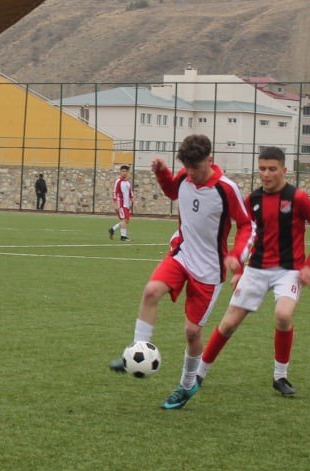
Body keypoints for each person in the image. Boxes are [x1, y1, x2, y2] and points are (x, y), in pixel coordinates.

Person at [109, 133, 255, 409]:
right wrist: (162, 173)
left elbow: (247, 225)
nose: (191, 174)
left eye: (195, 168)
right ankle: (137, 350)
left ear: (209, 160)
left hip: (209, 269)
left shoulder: (226, 189)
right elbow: (172, 191)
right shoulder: (185, 177)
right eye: (186, 168)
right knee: (151, 291)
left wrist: (237, 256)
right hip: (182, 254)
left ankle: (187, 385)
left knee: (192, 332)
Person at [197, 146, 310, 397]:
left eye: (272, 169)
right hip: (256, 268)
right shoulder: (252, 200)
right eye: (262, 169)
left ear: (284, 170)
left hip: (289, 270)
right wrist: (238, 268)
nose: (266, 174)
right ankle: (199, 372)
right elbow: (245, 232)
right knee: (228, 324)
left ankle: (280, 376)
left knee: (283, 315)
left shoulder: (298, 198)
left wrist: (309, 266)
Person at [109, 165, 133, 241]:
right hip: (121, 204)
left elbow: (130, 193)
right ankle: (123, 237)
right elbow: (114, 193)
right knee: (124, 220)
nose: (124, 173)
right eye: (123, 171)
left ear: (128, 172)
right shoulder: (118, 181)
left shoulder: (128, 182)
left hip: (127, 204)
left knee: (126, 220)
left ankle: (112, 229)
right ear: (120, 172)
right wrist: (115, 204)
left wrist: (132, 200)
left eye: (126, 171)